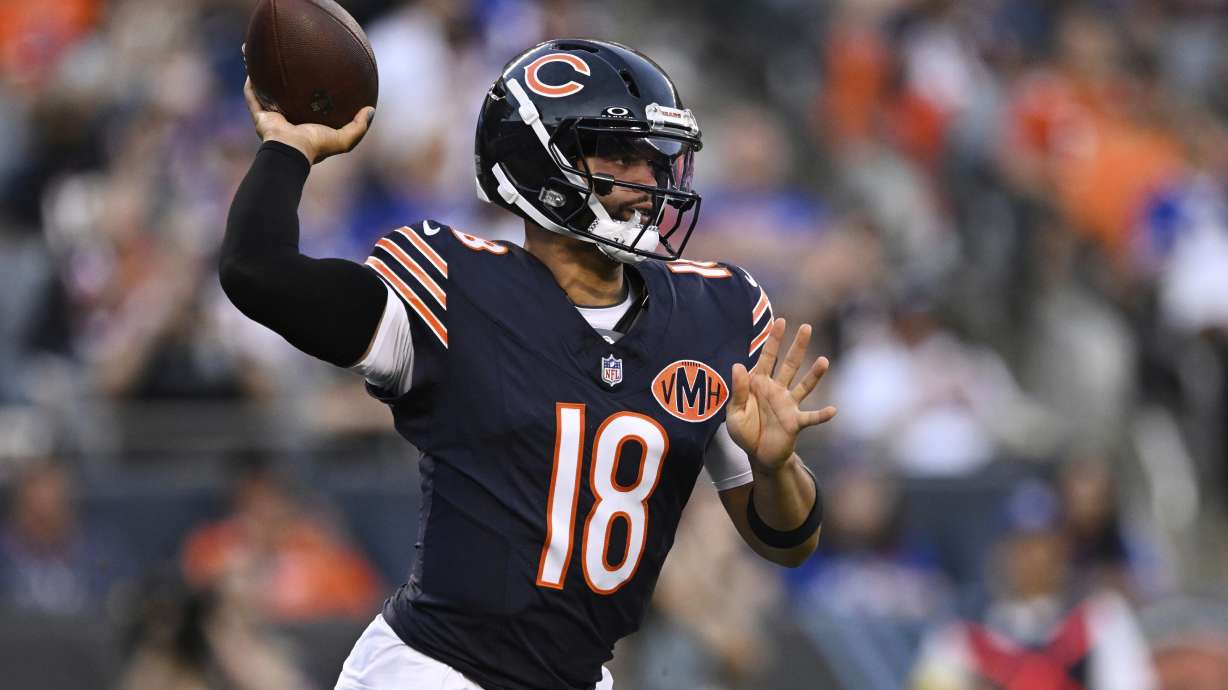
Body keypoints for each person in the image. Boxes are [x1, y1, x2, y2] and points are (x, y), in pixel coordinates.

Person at [220, 39, 836, 690]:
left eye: (655, 158)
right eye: (619, 153)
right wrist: (288, 149)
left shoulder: (715, 314)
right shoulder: (451, 286)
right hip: (436, 672)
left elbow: (787, 542)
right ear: (540, 160)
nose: (650, 179)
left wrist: (776, 467)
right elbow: (258, 273)